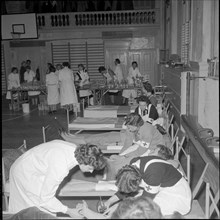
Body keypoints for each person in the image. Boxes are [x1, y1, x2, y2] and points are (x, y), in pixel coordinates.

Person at [9, 140, 106, 218]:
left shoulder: (76, 150)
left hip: (29, 166)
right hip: (24, 173)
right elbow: (45, 200)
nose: (91, 172)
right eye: (90, 168)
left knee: (45, 211)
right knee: (33, 212)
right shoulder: (61, 167)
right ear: (84, 161)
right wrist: (68, 211)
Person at [104, 144, 192, 217]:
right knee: (132, 203)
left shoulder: (153, 173)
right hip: (162, 189)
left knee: (139, 211)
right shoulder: (133, 165)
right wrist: (109, 202)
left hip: (177, 195)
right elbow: (126, 187)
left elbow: (144, 201)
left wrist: (118, 207)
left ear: (138, 180)